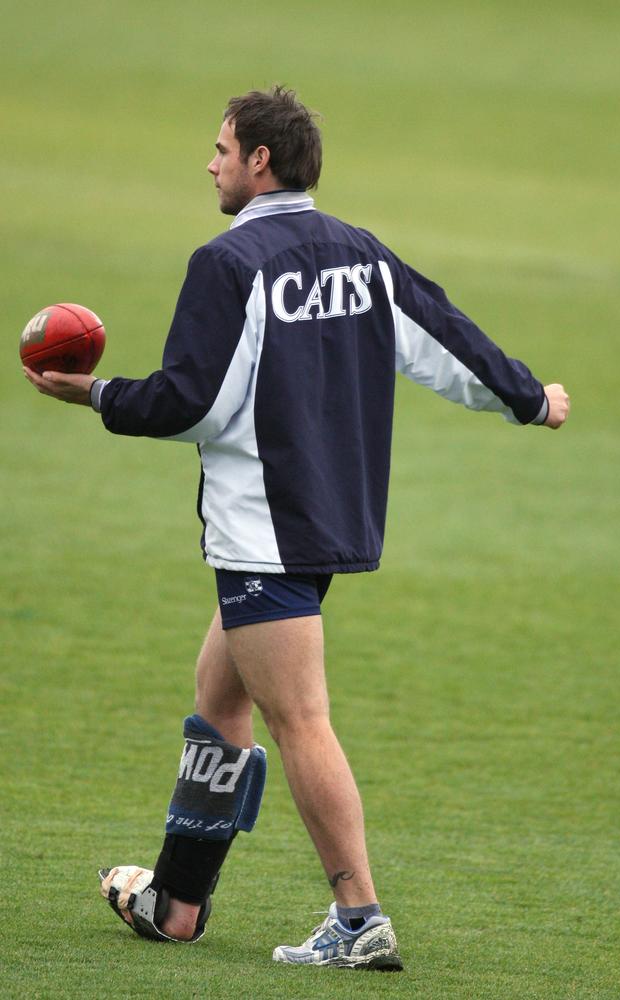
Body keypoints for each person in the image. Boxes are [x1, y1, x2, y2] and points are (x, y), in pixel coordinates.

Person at [24, 85, 570, 971]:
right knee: (220, 699)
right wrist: (527, 397)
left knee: (300, 719)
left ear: (260, 162)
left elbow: (189, 403)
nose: (210, 163)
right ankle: (178, 900)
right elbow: (446, 337)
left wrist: (97, 394)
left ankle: (359, 918)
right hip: (328, 516)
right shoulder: (360, 253)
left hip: (262, 532)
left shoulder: (227, 263)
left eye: (221, 149)